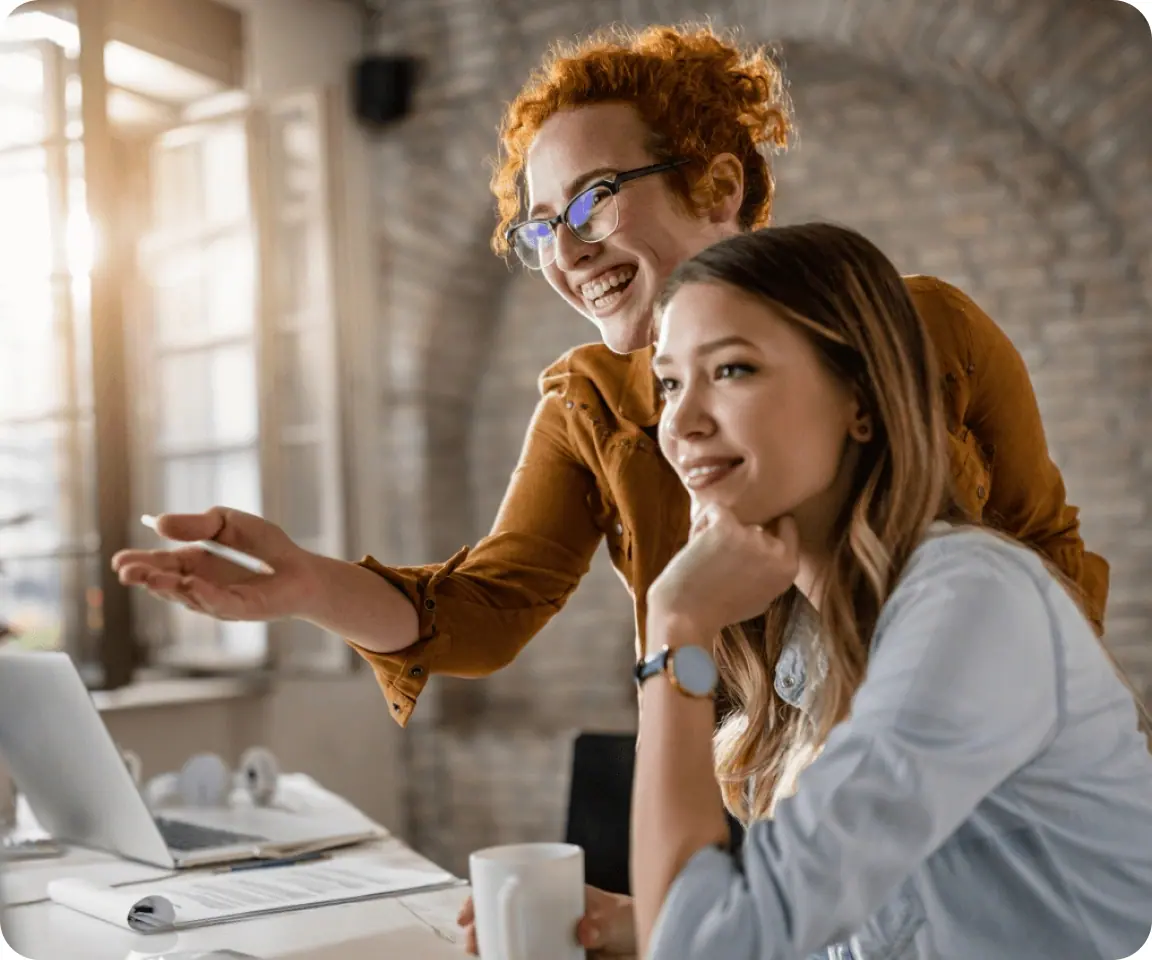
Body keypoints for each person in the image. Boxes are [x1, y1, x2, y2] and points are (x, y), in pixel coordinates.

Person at [109, 23, 1112, 955]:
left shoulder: (922, 361)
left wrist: (979, 713)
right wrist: (302, 588)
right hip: (745, 772)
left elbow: (1041, 562)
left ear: (719, 187)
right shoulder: (591, 401)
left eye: (590, 201)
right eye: (541, 227)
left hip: (952, 775)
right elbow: (488, 608)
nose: (568, 250)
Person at [631, 222, 1152, 960]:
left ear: (862, 401)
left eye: (732, 370)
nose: (679, 424)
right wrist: (642, 919)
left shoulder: (970, 603)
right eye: (671, 382)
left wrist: (675, 630)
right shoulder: (816, 639)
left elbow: (704, 950)